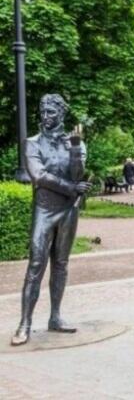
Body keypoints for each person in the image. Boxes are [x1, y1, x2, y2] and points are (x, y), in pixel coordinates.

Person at [11, 94, 92, 346]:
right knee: (36, 264)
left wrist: (76, 149)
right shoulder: (32, 143)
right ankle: (25, 323)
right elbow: (39, 175)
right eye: (43, 111)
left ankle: (55, 317)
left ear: (61, 114)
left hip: (68, 211)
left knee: (61, 264)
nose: (45, 117)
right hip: (44, 210)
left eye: (51, 112)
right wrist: (71, 188)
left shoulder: (75, 143)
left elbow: (78, 174)